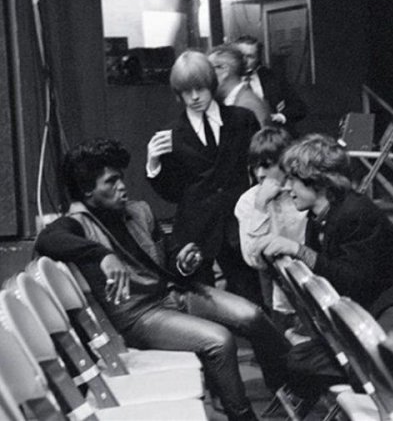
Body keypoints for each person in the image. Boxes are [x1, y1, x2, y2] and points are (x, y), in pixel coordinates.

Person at [35, 138, 291, 421]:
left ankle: (297, 382)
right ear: (87, 190)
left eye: (121, 178)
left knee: (252, 315)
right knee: (219, 341)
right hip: (139, 315)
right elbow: (47, 239)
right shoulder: (77, 223)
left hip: (172, 293)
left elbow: (167, 257)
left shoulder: (139, 211)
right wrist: (101, 255)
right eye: (111, 182)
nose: (122, 186)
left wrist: (182, 262)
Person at [262, 133, 393, 348]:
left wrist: (298, 250)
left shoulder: (355, 213)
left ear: (318, 181)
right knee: (303, 356)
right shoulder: (319, 217)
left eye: (293, 179)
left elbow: (352, 281)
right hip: (377, 307)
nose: (287, 187)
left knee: (373, 356)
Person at [146, 49, 263, 305]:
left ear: (212, 84)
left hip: (238, 226)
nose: (195, 97)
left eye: (200, 88)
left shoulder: (242, 120)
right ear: (178, 93)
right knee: (203, 307)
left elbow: (259, 169)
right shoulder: (171, 134)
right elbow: (172, 194)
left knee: (252, 302)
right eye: (186, 91)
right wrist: (153, 164)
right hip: (195, 231)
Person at [235, 126, 307, 325]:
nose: (260, 174)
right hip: (279, 292)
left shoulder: (306, 191)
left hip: (317, 280)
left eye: (267, 166)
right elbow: (252, 258)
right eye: (255, 167)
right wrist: (260, 207)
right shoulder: (248, 201)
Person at [234, 35, 307, 138]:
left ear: (258, 58)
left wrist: (280, 116)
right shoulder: (225, 79)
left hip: (272, 136)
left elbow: (299, 107)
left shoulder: (272, 77)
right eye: (240, 56)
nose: (244, 61)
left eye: (250, 56)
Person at [208, 44, 271, 128]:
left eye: (209, 69)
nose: (205, 75)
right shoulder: (235, 101)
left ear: (224, 70)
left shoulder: (248, 105)